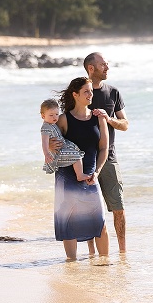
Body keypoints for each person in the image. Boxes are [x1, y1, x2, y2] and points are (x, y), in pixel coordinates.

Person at [53, 76, 110, 260]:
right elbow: (51, 145)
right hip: (67, 177)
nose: (90, 94)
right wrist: (52, 148)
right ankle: (71, 263)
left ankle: (104, 262)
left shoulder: (98, 118)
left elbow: (103, 148)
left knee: (99, 220)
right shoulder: (63, 119)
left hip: (91, 175)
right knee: (69, 220)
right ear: (75, 94)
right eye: (86, 91)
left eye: (91, 91)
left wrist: (97, 171)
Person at [84, 52, 129, 253]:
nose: (107, 68)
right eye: (103, 65)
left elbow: (125, 124)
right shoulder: (78, 92)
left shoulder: (113, 92)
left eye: (107, 64)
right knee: (90, 210)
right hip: (85, 160)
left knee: (118, 208)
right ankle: (92, 254)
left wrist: (109, 119)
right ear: (91, 68)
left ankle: (122, 253)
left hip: (110, 157)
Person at [39, 98, 86, 180]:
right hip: (58, 152)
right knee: (77, 156)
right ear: (43, 116)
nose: (55, 117)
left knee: (76, 151)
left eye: (57, 114)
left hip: (63, 146)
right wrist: (46, 154)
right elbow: (44, 142)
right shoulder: (45, 127)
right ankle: (80, 175)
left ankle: (80, 173)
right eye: (51, 115)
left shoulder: (52, 124)